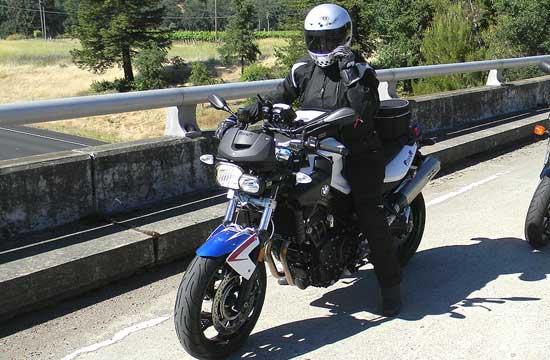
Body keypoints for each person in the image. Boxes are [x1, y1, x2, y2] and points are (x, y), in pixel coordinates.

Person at [215, 3, 401, 316]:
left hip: (357, 150)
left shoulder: (360, 70)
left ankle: (392, 288)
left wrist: (350, 75)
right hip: (312, 145)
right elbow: (277, 97)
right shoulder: (303, 68)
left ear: (346, 37)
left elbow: (363, 111)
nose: (325, 46)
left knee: (369, 213)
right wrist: (247, 114)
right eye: (318, 40)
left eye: (331, 39)